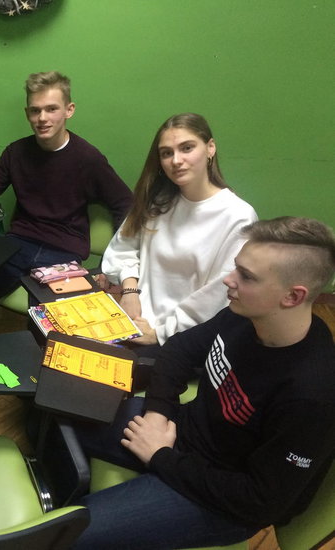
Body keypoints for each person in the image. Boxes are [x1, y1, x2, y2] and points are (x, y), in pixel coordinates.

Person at [68, 217, 335, 549]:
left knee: (71, 534)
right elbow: (179, 349)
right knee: (56, 412)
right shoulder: (245, 314)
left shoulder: (313, 395)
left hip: (222, 501)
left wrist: (161, 457)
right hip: (178, 433)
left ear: (293, 296)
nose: (228, 280)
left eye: (246, 276)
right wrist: (157, 415)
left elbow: (260, 501)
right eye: (236, 267)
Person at [0, 71, 133, 414]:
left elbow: (125, 204)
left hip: (63, 253)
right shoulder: (16, 152)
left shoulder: (88, 159)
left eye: (51, 109)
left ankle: (37, 391)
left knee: (48, 326)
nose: (42, 118)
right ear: (27, 113)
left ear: (69, 110)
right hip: (18, 244)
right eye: (35, 110)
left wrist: (115, 261)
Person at [99, 113, 257, 386]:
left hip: (182, 337)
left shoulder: (238, 217)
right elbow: (123, 247)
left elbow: (217, 298)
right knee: (64, 349)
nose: (176, 160)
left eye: (187, 148)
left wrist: (159, 333)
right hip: (133, 319)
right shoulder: (158, 201)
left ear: (210, 148)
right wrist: (130, 290)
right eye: (166, 153)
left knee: (97, 379)